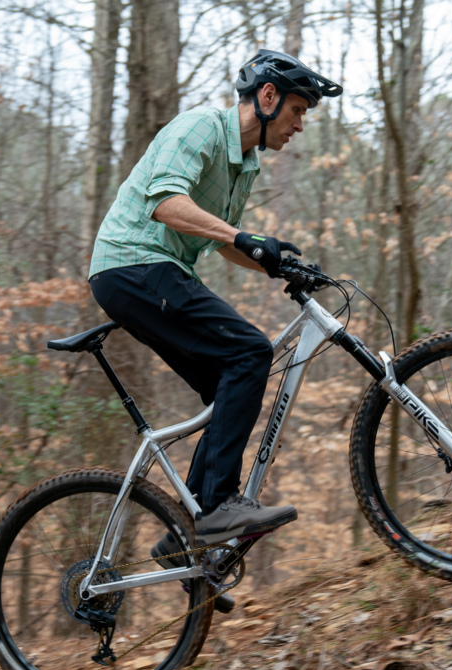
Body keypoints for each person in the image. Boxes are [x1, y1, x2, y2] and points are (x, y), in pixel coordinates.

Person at [87, 50, 342, 596]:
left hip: (157, 270)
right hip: (133, 262)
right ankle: (220, 508)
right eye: (298, 110)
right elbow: (165, 204)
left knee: (229, 381)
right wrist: (242, 238)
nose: (301, 125)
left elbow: (225, 241)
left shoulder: (244, 161)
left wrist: (279, 260)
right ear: (267, 98)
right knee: (250, 352)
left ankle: (186, 533)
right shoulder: (202, 127)